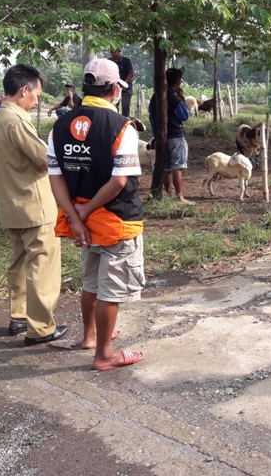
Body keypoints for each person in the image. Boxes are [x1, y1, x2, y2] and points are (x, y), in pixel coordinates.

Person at [48, 58, 145, 370]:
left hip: (83, 222)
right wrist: (88, 209)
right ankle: (104, 354)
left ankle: (90, 336)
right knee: (111, 289)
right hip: (116, 220)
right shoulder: (122, 127)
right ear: (114, 89)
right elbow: (119, 181)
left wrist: (76, 217)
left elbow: (55, 177)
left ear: (85, 87)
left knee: (91, 282)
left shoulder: (60, 125)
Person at [0, 64, 67, 345]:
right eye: (36, 95)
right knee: (41, 264)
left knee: (20, 262)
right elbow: (45, 161)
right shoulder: (16, 121)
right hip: (35, 204)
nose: (36, 101)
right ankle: (40, 328)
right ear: (24, 90)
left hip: (11, 203)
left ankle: (19, 317)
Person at [147, 67, 193, 204]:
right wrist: (182, 99)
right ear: (178, 82)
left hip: (162, 137)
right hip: (176, 137)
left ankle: (168, 195)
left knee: (166, 168)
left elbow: (151, 117)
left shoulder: (155, 97)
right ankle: (180, 197)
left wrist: (156, 135)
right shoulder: (175, 99)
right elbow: (184, 117)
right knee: (177, 168)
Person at [110, 48, 135, 117]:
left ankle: (125, 119)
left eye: (114, 52)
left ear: (119, 52)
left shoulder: (126, 60)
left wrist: (124, 84)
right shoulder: (109, 61)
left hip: (126, 86)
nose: (113, 54)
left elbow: (131, 73)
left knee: (125, 105)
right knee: (113, 105)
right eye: (111, 52)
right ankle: (114, 119)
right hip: (114, 86)